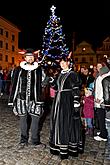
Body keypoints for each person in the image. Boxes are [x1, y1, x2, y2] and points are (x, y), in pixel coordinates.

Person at [8, 48, 46, 149]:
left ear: (34, 58)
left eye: (32, 57)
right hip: (21, 99)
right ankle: (23, 140)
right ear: (24, 58)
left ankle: (35, 141)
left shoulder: (39, 70)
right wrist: (12, 100)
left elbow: (44, 82)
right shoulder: (18, 69)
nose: (30, 58)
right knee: (23, 120)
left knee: (35, 120)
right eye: (28, 57)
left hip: (35, 99)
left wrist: (47, 80)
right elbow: (14, 85)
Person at [49, 56, 84, 160]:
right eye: (61, 63)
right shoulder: (60, 74)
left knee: (66, 122)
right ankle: (58, 145)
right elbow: (56, 87)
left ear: (69, 63)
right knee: (58, 122)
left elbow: (76, 88)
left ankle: (67, 148)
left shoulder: (73, 74)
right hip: (58, 101)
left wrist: (76, 102)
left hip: (67, 101)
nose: (62, 64)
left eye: (64, 62)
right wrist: (52, 81)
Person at [94, 65, 109, 141]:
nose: (98, 68)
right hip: (100, 100)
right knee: (102, 118)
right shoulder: (101, 75)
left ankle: (103, 135)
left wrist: (99, 98)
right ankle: (103, 132)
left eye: (100, 66)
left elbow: (104, 89)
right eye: (97, 66)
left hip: (102, 101)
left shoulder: (103, 76)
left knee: (102, 118)